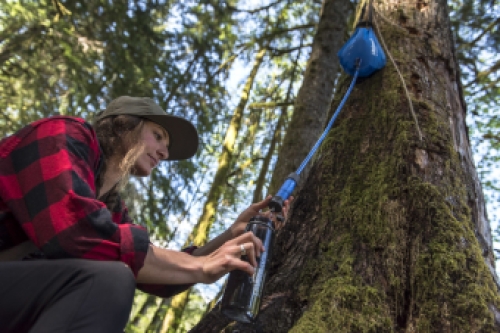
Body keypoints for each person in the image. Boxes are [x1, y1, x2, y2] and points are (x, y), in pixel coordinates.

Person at [0, 96, 292, 333]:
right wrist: (202, 267)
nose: (164, 152)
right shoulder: (64, 134)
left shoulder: (110, 209)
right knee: (108, 281)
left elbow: (157, 276)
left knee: (111, 279)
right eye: (158, 136)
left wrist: (230, 236)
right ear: (123, 125)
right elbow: (74, 229)